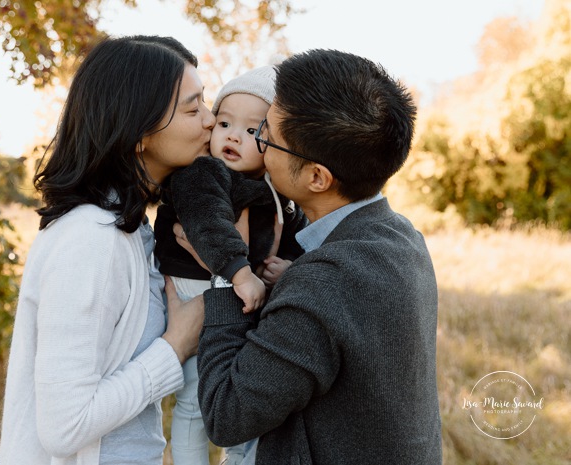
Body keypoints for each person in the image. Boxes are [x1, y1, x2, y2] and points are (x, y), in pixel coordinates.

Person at [187, 49, 442, 464]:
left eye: (266, 136)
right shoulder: (402, 237)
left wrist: (222, 274)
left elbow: (226, 415)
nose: (257, 145)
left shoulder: (325, 283)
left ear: (317, 177)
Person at [0, 35, 213, 465]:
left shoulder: (131, 228)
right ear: (138, 135)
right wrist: (175, 346)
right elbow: (65, 426)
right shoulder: (91, 239)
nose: (211, 120)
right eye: (193, 109)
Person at [154, 66, 307, 465]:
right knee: (196, 397)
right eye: (224, 123)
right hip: (195, 287)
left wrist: (288, 267)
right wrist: (241, 273)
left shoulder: (275, 189)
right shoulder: (203, 173)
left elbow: (296, 233)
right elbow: (208, 225)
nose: (234, 136)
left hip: (243, 296)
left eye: (253, 130)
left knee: (242, 392)